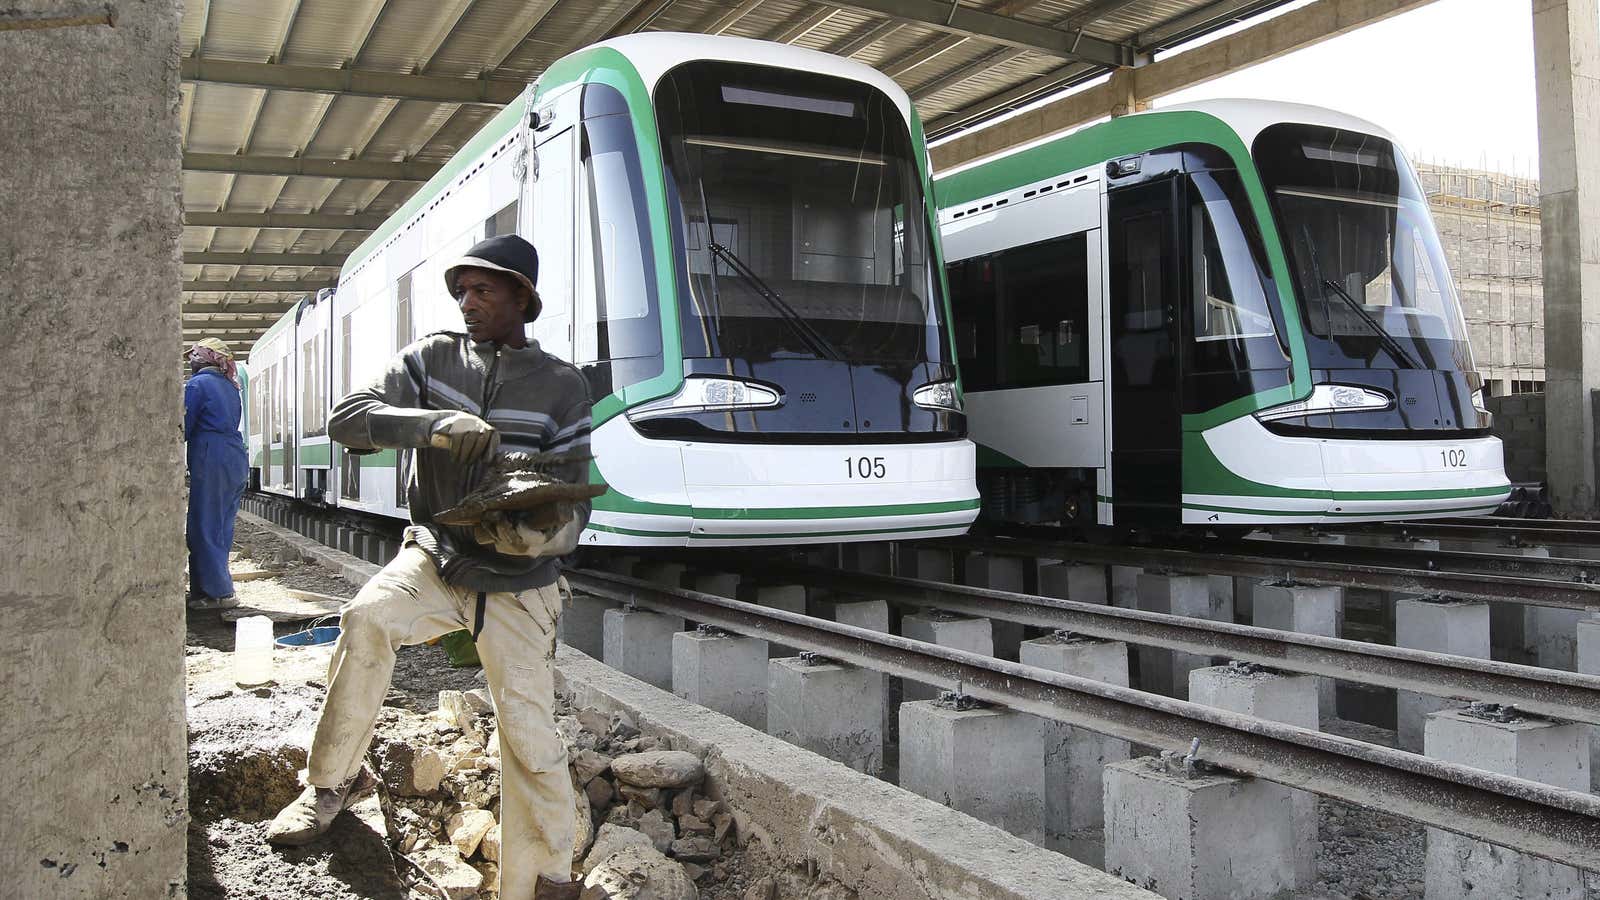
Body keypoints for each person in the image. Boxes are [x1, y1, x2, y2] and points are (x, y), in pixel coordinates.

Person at [266, 234, 591, 900]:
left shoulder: (562, 385)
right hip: (435, 559)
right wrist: (433, 425)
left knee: (528, 727)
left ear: (522, 298)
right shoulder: (431, 358)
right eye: (461, 291)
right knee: (366, 619)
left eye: (484, 291)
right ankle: (330, 784)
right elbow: (348, 420)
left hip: (518, 584)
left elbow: (574, 491)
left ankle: (550, 872)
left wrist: (545, 540)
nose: (468, 303)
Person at [185, 337, 249, 611]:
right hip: (234, 456)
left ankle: (218, 593)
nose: (190, 359)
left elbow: (184, 425)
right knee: (221, 526)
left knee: (203, 525)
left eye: (195, 355)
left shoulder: (198, 385)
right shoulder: (230, 387)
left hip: (211, 455)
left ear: (207, 358)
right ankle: (205, 591)